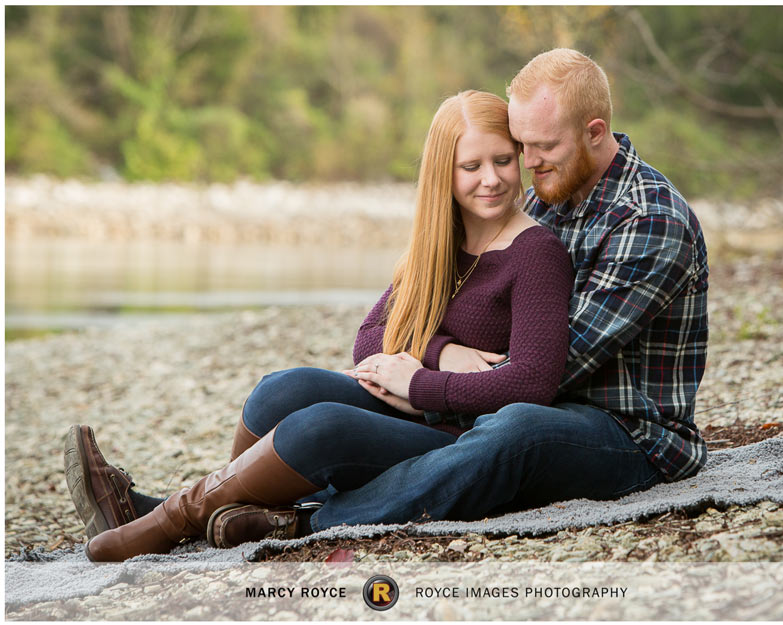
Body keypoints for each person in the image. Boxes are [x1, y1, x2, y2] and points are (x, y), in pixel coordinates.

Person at [65, 89, 575, 561]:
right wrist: (442, 353)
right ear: (444, 171)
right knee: (282, 391)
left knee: (320, 428)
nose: (491, 178)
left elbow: (532, 382)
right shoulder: (437, 245)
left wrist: (420, 385)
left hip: (457, 440)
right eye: (471, 165)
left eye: (503, 160)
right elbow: (370, 340)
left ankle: (173, 520)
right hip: (410, 410)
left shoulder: (535, 253)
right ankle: (231, 508)